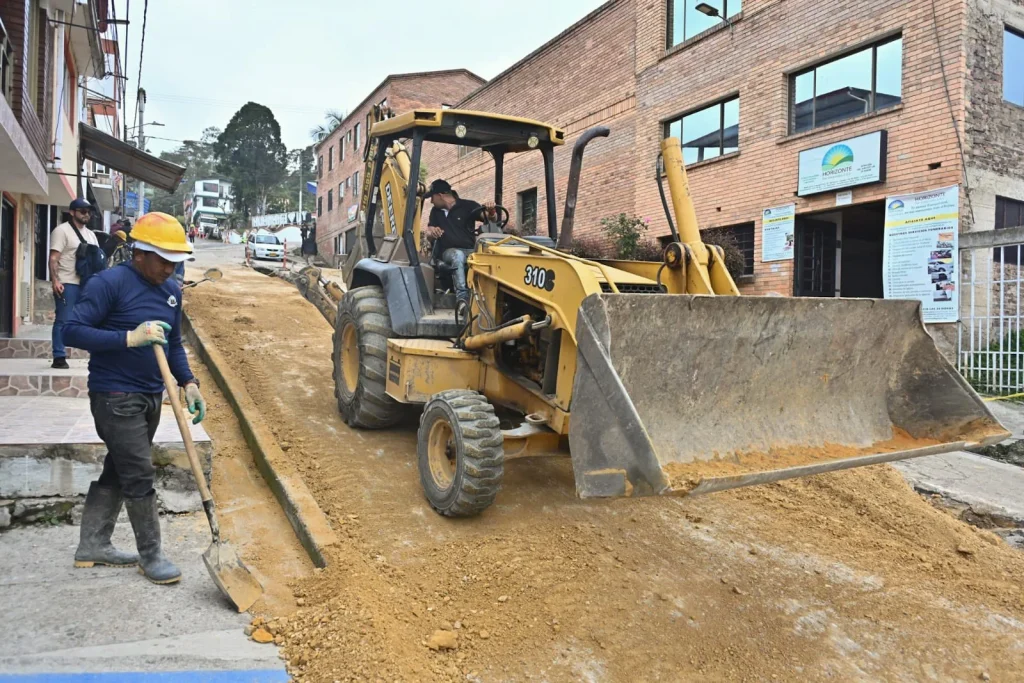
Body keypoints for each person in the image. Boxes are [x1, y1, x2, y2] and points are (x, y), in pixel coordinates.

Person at [63, 212, 206, 586]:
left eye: (176, 262)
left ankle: (92, 545)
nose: (171, 269)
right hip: (114, 395)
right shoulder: (108, 283)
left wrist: (188, 381)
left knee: (119, 467)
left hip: (150, 395)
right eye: (164, 261)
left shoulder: (172, 292)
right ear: (139, 253)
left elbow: (172, 342)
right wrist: (128, 338)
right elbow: (72, 331)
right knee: (139, 472)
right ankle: (152, 556)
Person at [422, 179, 496, 321]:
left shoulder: (468, 206)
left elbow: (490, 219)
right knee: (458, 255)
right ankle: (462, 300)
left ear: (440, 195)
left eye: (432, 197)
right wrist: (432, 232)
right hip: (448, 252)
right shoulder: (435, 212)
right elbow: (429, 230)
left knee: (486, 256)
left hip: (470, 250)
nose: (431, 201)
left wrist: (491, 211)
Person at [48, 199, 99, 369]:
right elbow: (54, 258)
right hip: (67, 282)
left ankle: (95, 354)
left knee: (90, 320)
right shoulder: (61, 231)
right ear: (72, 212)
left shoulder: (91, 234)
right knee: (63, 319)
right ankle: (59, 356)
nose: (87, 214)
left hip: (87, 283)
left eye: (89, 211)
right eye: (82, 211)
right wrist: (55, 280)